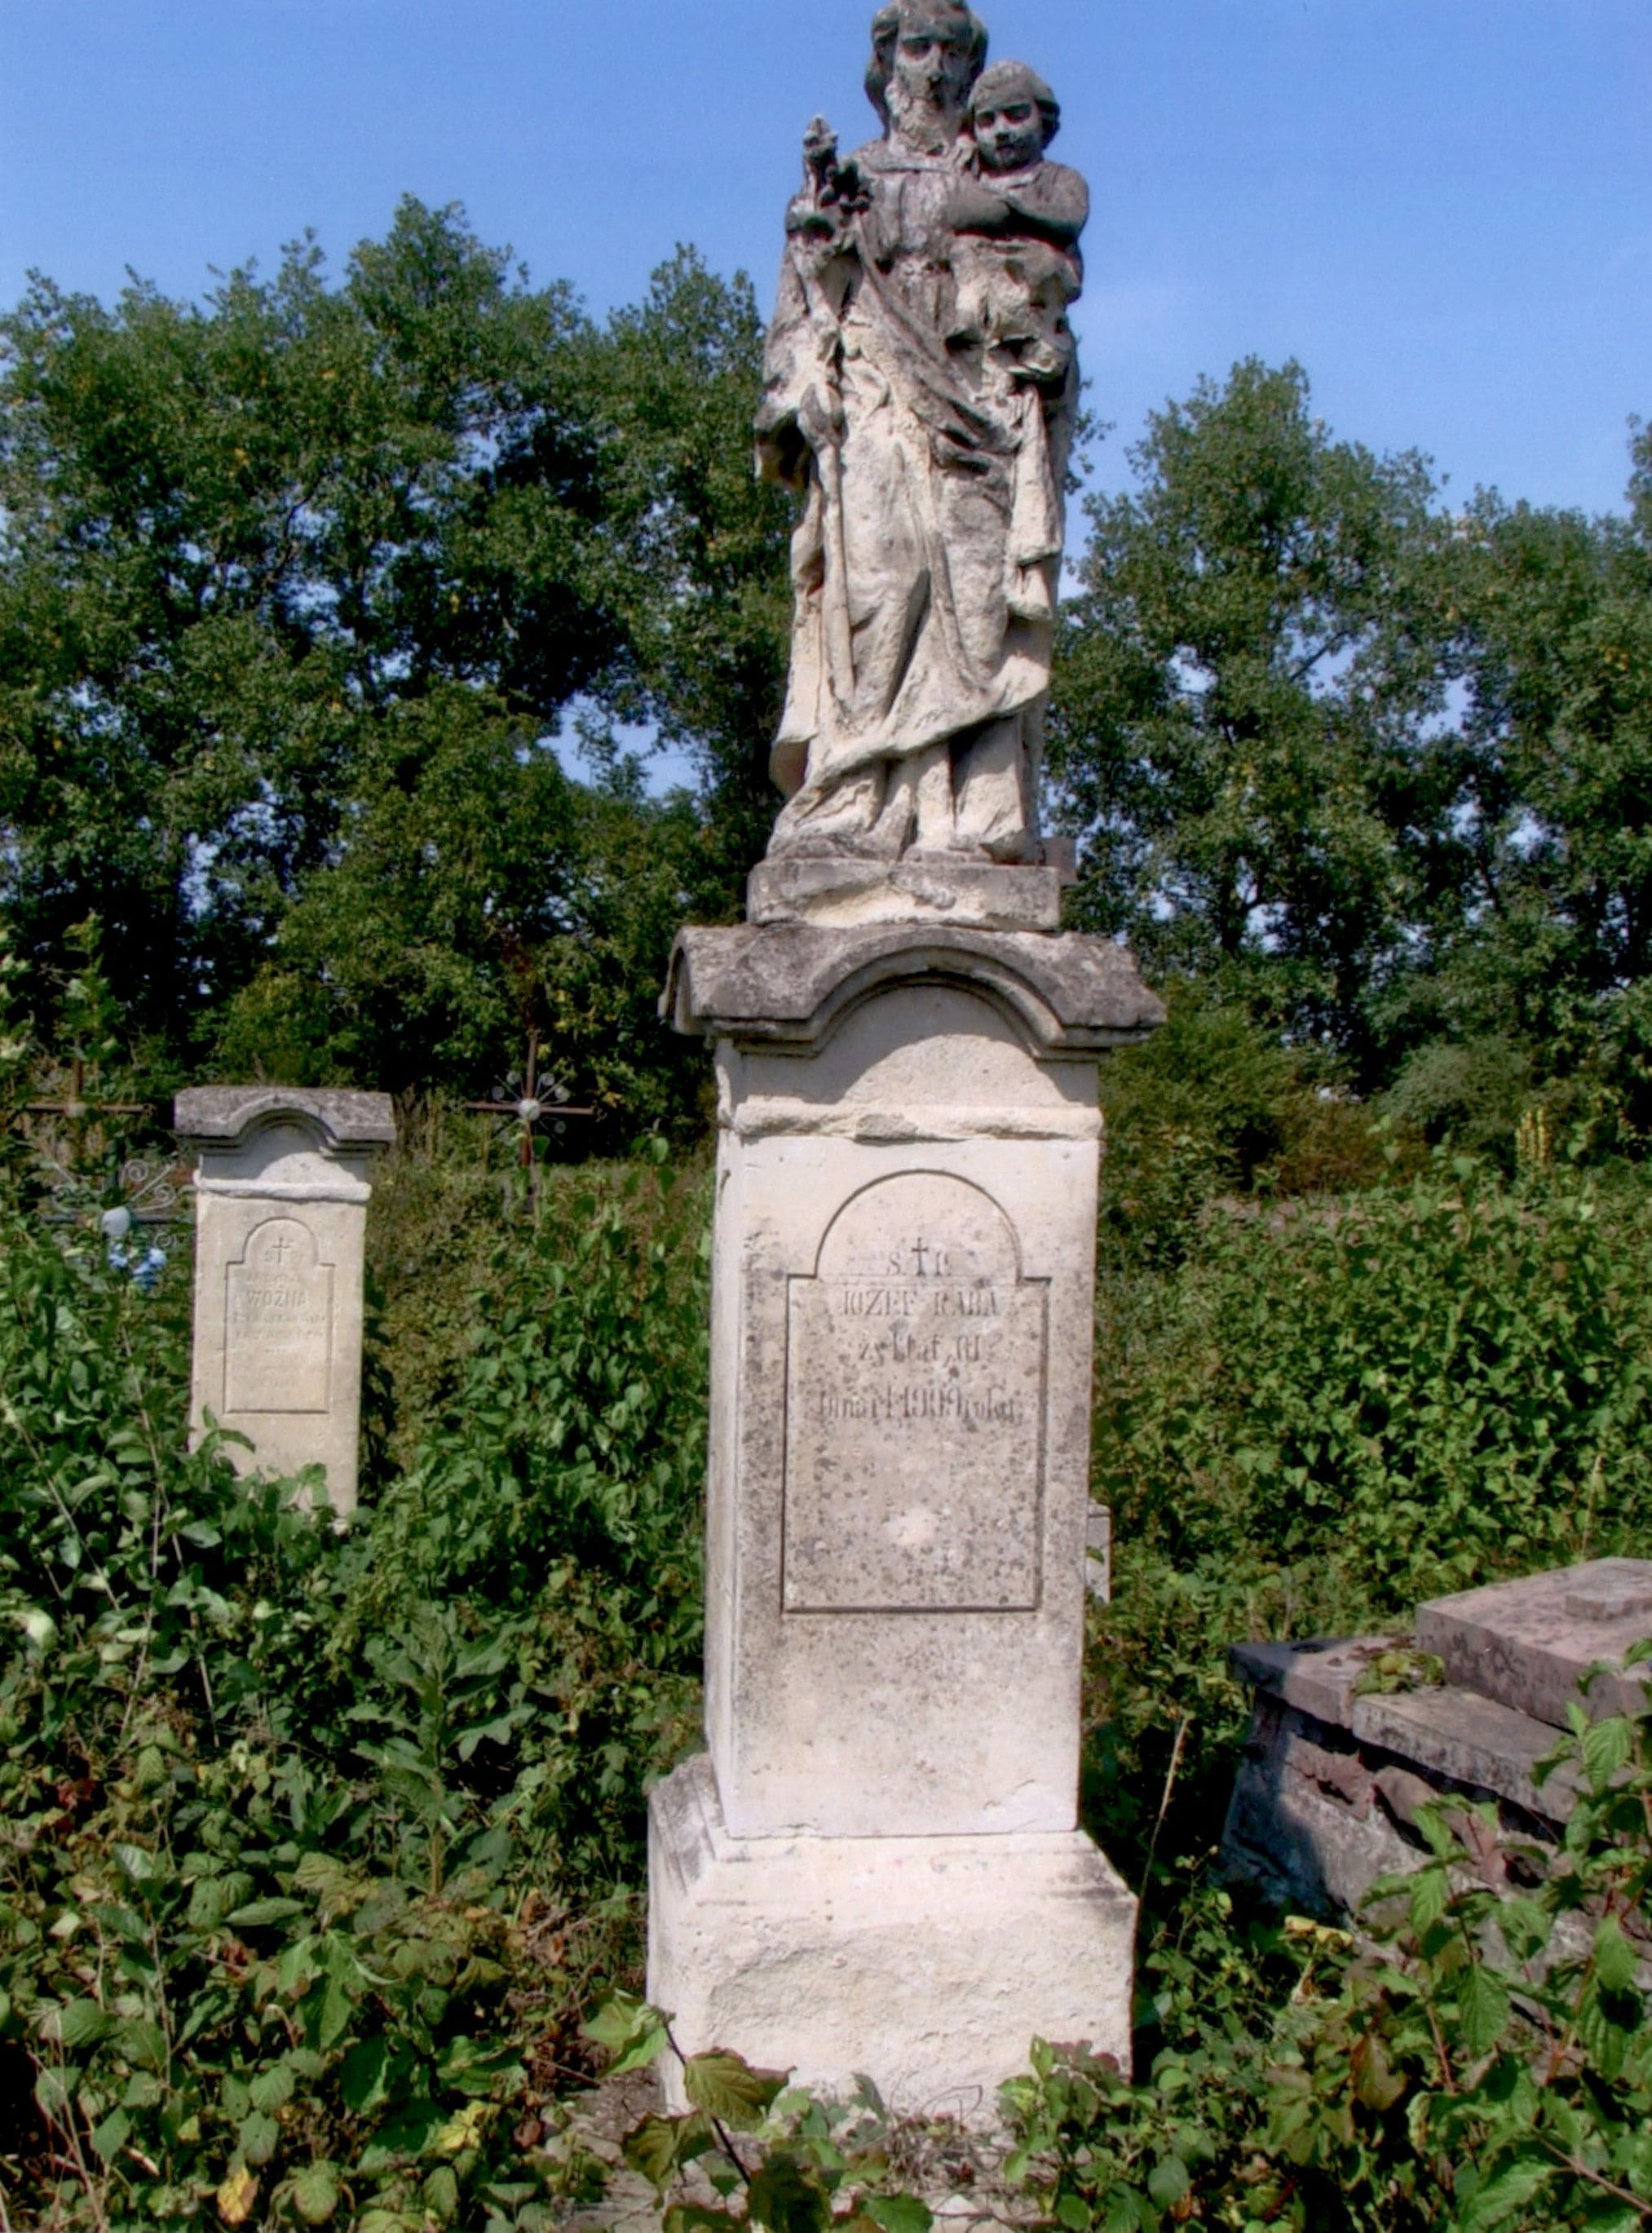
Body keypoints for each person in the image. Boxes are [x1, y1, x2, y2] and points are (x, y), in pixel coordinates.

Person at [757, 2, 1089, 864]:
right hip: (873, 398)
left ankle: (973, 817)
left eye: (952, 51)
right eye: (917, 47)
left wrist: (1037, 361)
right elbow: (800, 307)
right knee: (879, 590)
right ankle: (858, 796)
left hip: (979, 412)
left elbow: (1048, 294)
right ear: (886, 63)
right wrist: (801, 382)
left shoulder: (1012, 182)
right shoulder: (851, 175)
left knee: (978, 615)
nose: (934, 68)